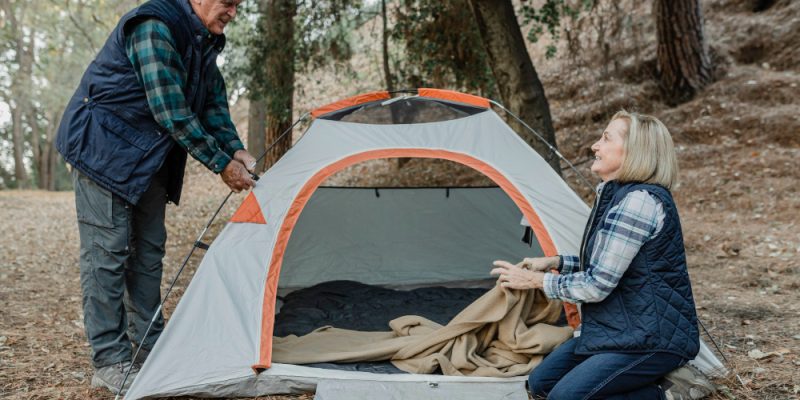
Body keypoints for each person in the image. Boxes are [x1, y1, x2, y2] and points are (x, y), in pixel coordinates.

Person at [55, 0, 252, 394]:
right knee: (107, 255)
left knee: (149, 251)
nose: (233, 12)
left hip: (149, 156)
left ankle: (150, 347)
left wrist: (235, 149)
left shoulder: (206, 40)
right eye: (228, 3)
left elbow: (212, 104)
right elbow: (172, 111)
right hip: (103, 149)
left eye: (238, 5)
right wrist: (219, 164)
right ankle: (110, 360)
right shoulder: (154, 26)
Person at [491, 111, 699, 399]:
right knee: (540, 384)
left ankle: (669, 394)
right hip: (620, 328)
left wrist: (535, 281)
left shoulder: (638, 203)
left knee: (564, 398)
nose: (595, 146)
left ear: (635, 150)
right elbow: (615, 265)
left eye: (606, 138)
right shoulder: (616, 194)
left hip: (650, 338)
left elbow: (598, 284)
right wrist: (556, 263)